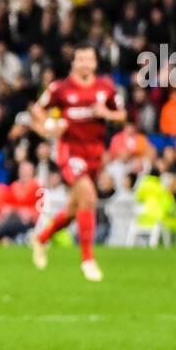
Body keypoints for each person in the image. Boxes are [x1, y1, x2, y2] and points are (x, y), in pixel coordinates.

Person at [27, 43, 126, 281]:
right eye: (80, 59)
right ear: (74, 62)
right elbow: (37, 110)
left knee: (74, 208)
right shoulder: (60, 89)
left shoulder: (106, 88)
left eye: (88, 59)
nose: (85, 63)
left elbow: (122, 116)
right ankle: (88, 260)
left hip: (94, 153)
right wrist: (51, 125)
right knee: (89, 197)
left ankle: (41, 239)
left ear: (94, 63)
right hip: (70, 152)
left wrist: (107, 114)